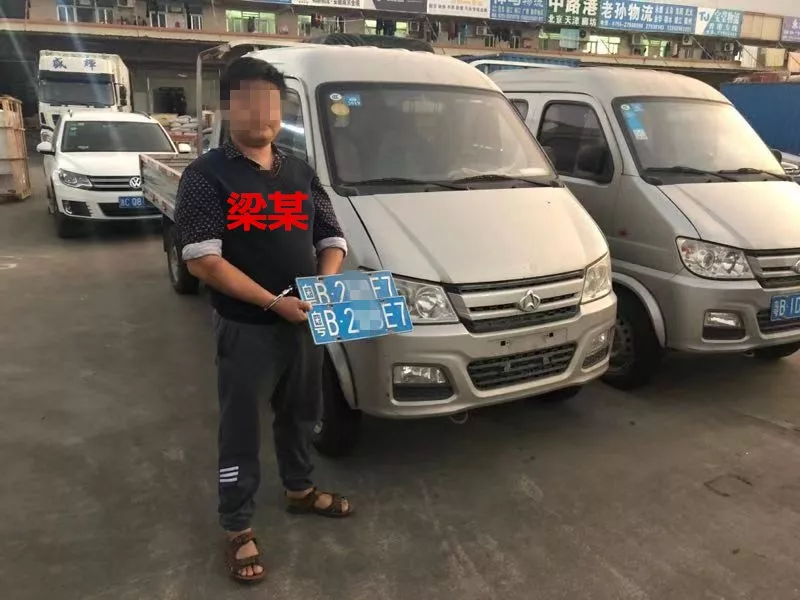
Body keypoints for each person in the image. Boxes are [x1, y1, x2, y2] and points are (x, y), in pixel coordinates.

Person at [173, 56, 353, 584]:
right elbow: (203, 260)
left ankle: (299, 489)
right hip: (246, 328)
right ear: (229, 107)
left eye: (272, 103)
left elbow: (331, 236)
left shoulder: (298, 171)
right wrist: (273, 302)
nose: (264, 114)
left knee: (301, 413)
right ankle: (237, 524)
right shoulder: (207, 176)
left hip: (302, 322)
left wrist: (322, 284)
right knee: (242, 426)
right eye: (250, 101)